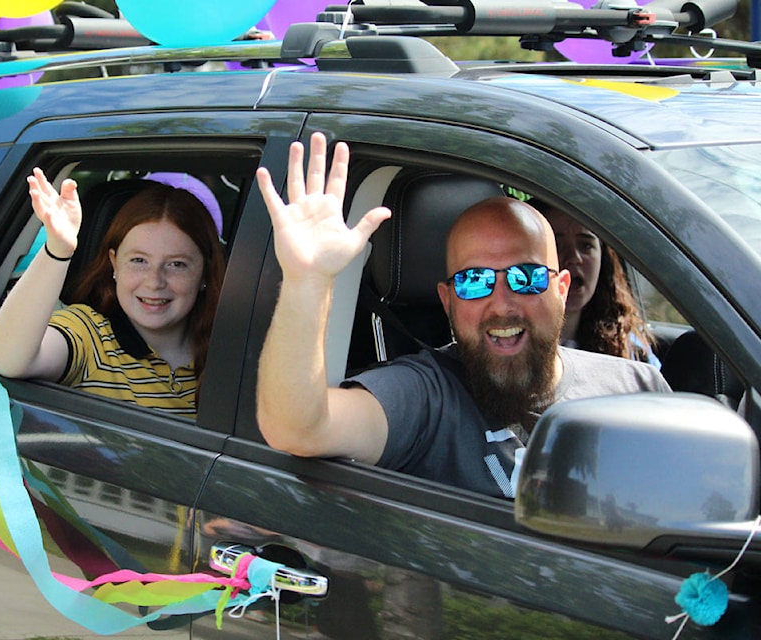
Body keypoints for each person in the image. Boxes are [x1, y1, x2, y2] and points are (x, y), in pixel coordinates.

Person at [254, 133, 671, 498]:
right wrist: (306, 280)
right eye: (474, 281)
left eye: (526, 277)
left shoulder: (635, 390)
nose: (503, 303)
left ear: (560, 289)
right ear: (449, 301)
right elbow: (298, 428)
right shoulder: (426, 397)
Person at [0, 168, 225, 417]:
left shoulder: (230, 351)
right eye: (138, 260)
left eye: (176, 264)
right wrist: (59, 249)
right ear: (114, 263)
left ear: (204, 273)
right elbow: (10, 359)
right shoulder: (89, 334)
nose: (154, 281)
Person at [534, 201, 660, 366]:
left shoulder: (628, 346)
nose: (574, 258)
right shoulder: (511, 345)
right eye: (557, 246)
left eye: (586, 245)